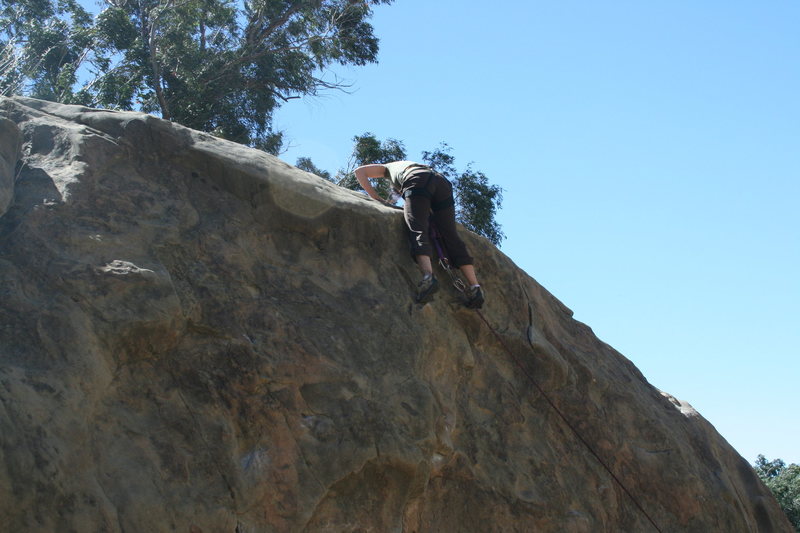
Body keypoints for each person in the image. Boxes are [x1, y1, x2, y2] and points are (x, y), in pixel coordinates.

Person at [354, 161, 484, 308]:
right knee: (450, 235)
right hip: (442, 182)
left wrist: (376, 198)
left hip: (417, 179)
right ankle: (475, 287)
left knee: (417, 226)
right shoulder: (411, 166)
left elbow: (359, 171)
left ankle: (428, 277)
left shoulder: (387, 169)